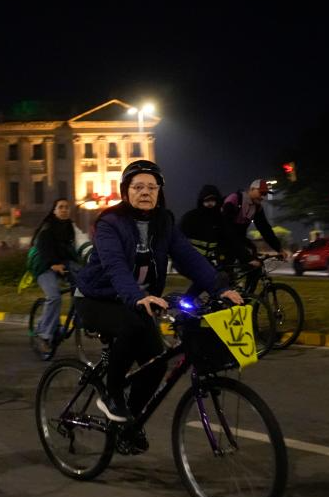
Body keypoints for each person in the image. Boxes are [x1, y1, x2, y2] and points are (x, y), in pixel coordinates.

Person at [75, 160, 243, 454]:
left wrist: (221, 288)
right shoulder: (109, 222)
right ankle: (112, 395)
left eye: (152, 188)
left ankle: (127, 424)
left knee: (156, 364)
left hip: (139, 301)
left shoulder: (164, 221)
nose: (145, 192)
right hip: (97, 298)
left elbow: (189, 258)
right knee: (131, 324)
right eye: (138, 187)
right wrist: (136, 296)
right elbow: (115, 267)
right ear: (125, 192)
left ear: (159, 192)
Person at [30, 198, 82, 353]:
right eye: (61, 207)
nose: (64, 210)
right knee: (54, 297)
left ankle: (81, 316)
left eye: (67, 207)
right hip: (44, 266)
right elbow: (43, 250)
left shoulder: (70, 227)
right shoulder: (47, 228)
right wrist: (53, 264)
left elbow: (77, 246)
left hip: (63, 264)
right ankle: (44, 335)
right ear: (54, 211)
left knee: (84, 282)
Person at [221, 180, 289, 291]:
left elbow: (265, 229)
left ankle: (247, 298)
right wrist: (246, 257)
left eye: (265, 194)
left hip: (238, 240)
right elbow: (227, 230)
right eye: (261, 193)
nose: (263, 197)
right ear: (251, 189)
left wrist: (279, 249)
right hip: (224, 239)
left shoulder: (257, 207)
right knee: (227, 274)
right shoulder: (234, 199)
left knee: (256, 267)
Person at [179, 185, 224, 259]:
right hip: (190, 258)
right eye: (207, 200)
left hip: (210, 259)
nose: (210, 203)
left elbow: (229, 238)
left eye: (212, 200)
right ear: (201, 201)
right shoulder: (191, 217)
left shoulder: (220, 219)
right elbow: (178, 238)